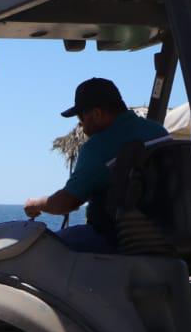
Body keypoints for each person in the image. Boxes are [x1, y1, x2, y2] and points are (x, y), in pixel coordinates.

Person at [24, 78, 169, 252]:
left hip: (118, 240)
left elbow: (67, 202)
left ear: (97, 114)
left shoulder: (99, 146)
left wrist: (37, 204)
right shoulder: (159, 132)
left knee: (41, 248)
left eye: (81, 117)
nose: (81, 125)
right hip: (167, 234)